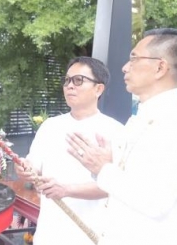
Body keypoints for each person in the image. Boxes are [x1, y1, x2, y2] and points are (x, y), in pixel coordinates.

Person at [67, 28, 177, 245]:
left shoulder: (171, 120)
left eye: (134, 59)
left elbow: (156, 201)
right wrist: (110, 162)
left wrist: (104, 168)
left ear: (160, 67)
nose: (125, 67)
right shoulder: (143, 115)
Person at [15, 56, 125, 245]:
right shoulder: (50, 126)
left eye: (78, 80)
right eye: (67, 80)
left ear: (98, 89)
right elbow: (33, 168)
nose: (69, 86)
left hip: (92, 233)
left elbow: (117, 186)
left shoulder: (115, 131)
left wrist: (66, 190)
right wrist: (24, 168)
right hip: (49, 232)